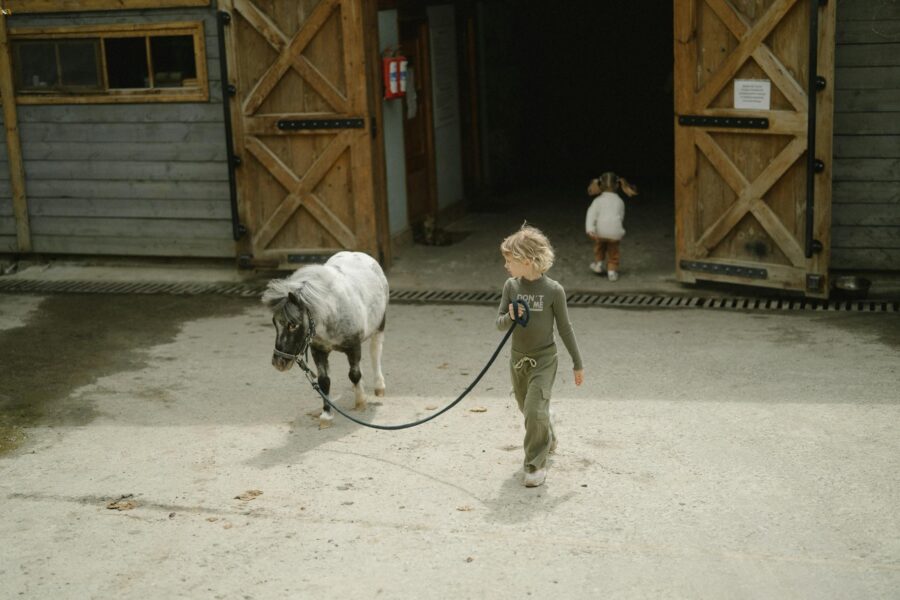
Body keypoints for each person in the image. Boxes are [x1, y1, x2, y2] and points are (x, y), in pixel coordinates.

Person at [496, 224, 584, 487]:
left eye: (510, 261)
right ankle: (549, 430)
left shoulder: (553, 290)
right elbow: (499, 323)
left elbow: (565, 329)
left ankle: (535, 464)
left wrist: (577, 364)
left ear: (527, 260)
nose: (506, 266)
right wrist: (510, 315)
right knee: (528, 410)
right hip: (518, 360)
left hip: (544, 360)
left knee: (534, 411)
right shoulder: (511, 287)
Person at [585, 172, 638, 281]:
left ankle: (598, 264)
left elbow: (591, 215)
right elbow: (621, 217)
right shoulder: (620, 201)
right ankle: (612, 272)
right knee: (613, 252)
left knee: (599, 248)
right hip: (615, 232)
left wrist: (590, 229)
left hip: (600, 231)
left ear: (600, 185)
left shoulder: (598, 201)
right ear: (618, 185)